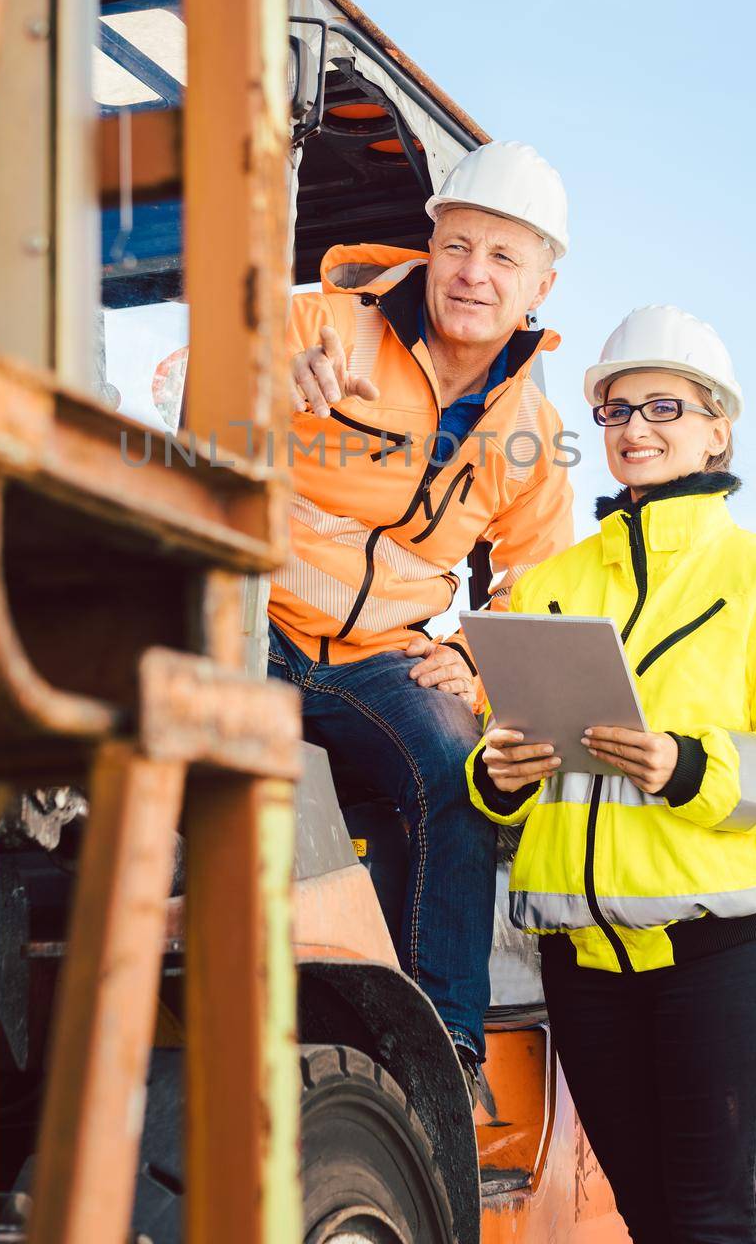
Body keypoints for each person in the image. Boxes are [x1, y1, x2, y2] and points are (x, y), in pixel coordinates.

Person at [466, 304, 756, 1242]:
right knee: (644, 1220)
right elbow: (495, 757)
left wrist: (685, 766)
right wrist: (501, 775)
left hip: (712, 963)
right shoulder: (551, 584)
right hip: (583, 969)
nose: (636, 427)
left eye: (664, 407)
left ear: (717, 426)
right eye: (615, 410)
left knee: (709, 1223)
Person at [267, 141, 576, 1094]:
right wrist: (269, 387)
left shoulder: (531, 431)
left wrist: (479, 668)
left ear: (541, 284)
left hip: (378, 658)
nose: (473, 274)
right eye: (459, 246)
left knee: (459, 768)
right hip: (254, 623)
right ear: (431, 243)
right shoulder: (319, 326)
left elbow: (541, 585)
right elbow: (177, 386)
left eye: (503, 258)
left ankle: (444, 1050)